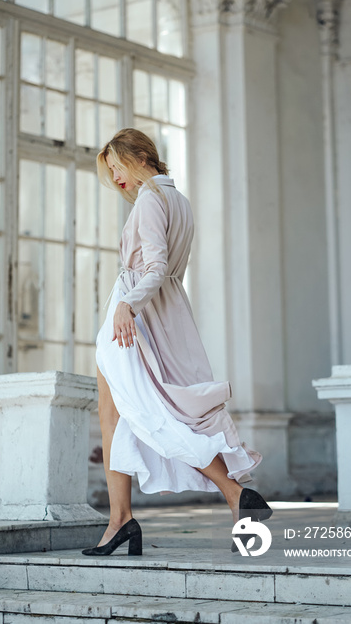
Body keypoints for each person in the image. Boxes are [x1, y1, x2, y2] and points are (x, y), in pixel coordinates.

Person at [82, 128, 272, 558]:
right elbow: (167, 273)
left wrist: (125, 306)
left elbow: (155, 267)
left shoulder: (151, 199)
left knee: (149, 412)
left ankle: (231, 491)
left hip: (135, 316)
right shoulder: (178, 200)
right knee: (117, 412)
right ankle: (121, 520)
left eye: (117, 166)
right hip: (161, 313)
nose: (116, 178)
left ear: (140, 155)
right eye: (110, 172)